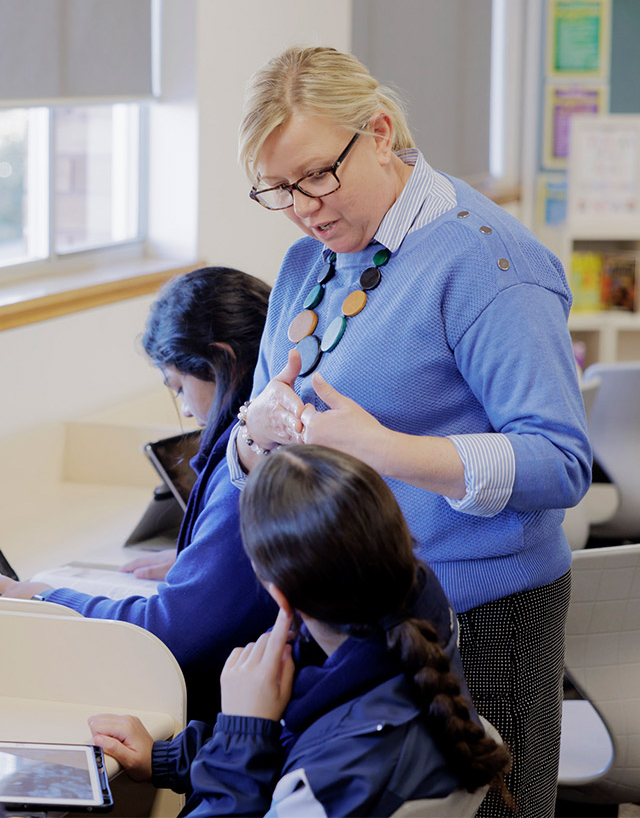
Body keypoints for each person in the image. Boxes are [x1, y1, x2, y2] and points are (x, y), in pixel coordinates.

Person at [226, 47, 593, 817]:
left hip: (481, 615)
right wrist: (256, 434)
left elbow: (560, 461)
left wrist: (386, 449)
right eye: (278, 189)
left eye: (317, 175)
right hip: (357, 619)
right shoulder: (308, 261)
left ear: (380, 132)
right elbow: (253, 434)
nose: (303, 206)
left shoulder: (487, 259)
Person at [88, 445, 512, 817]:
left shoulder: (322, 786)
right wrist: (167, 758)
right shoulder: (417, 632)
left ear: (280, 597)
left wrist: (242, 730)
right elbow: (298, 737)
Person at [0, 267, 277, 723]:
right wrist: (204, 563)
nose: (185, 408)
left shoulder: (249, 464)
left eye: (179, 386)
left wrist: (41, 598)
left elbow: (168, 633)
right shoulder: (268, 433)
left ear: (222, 361)